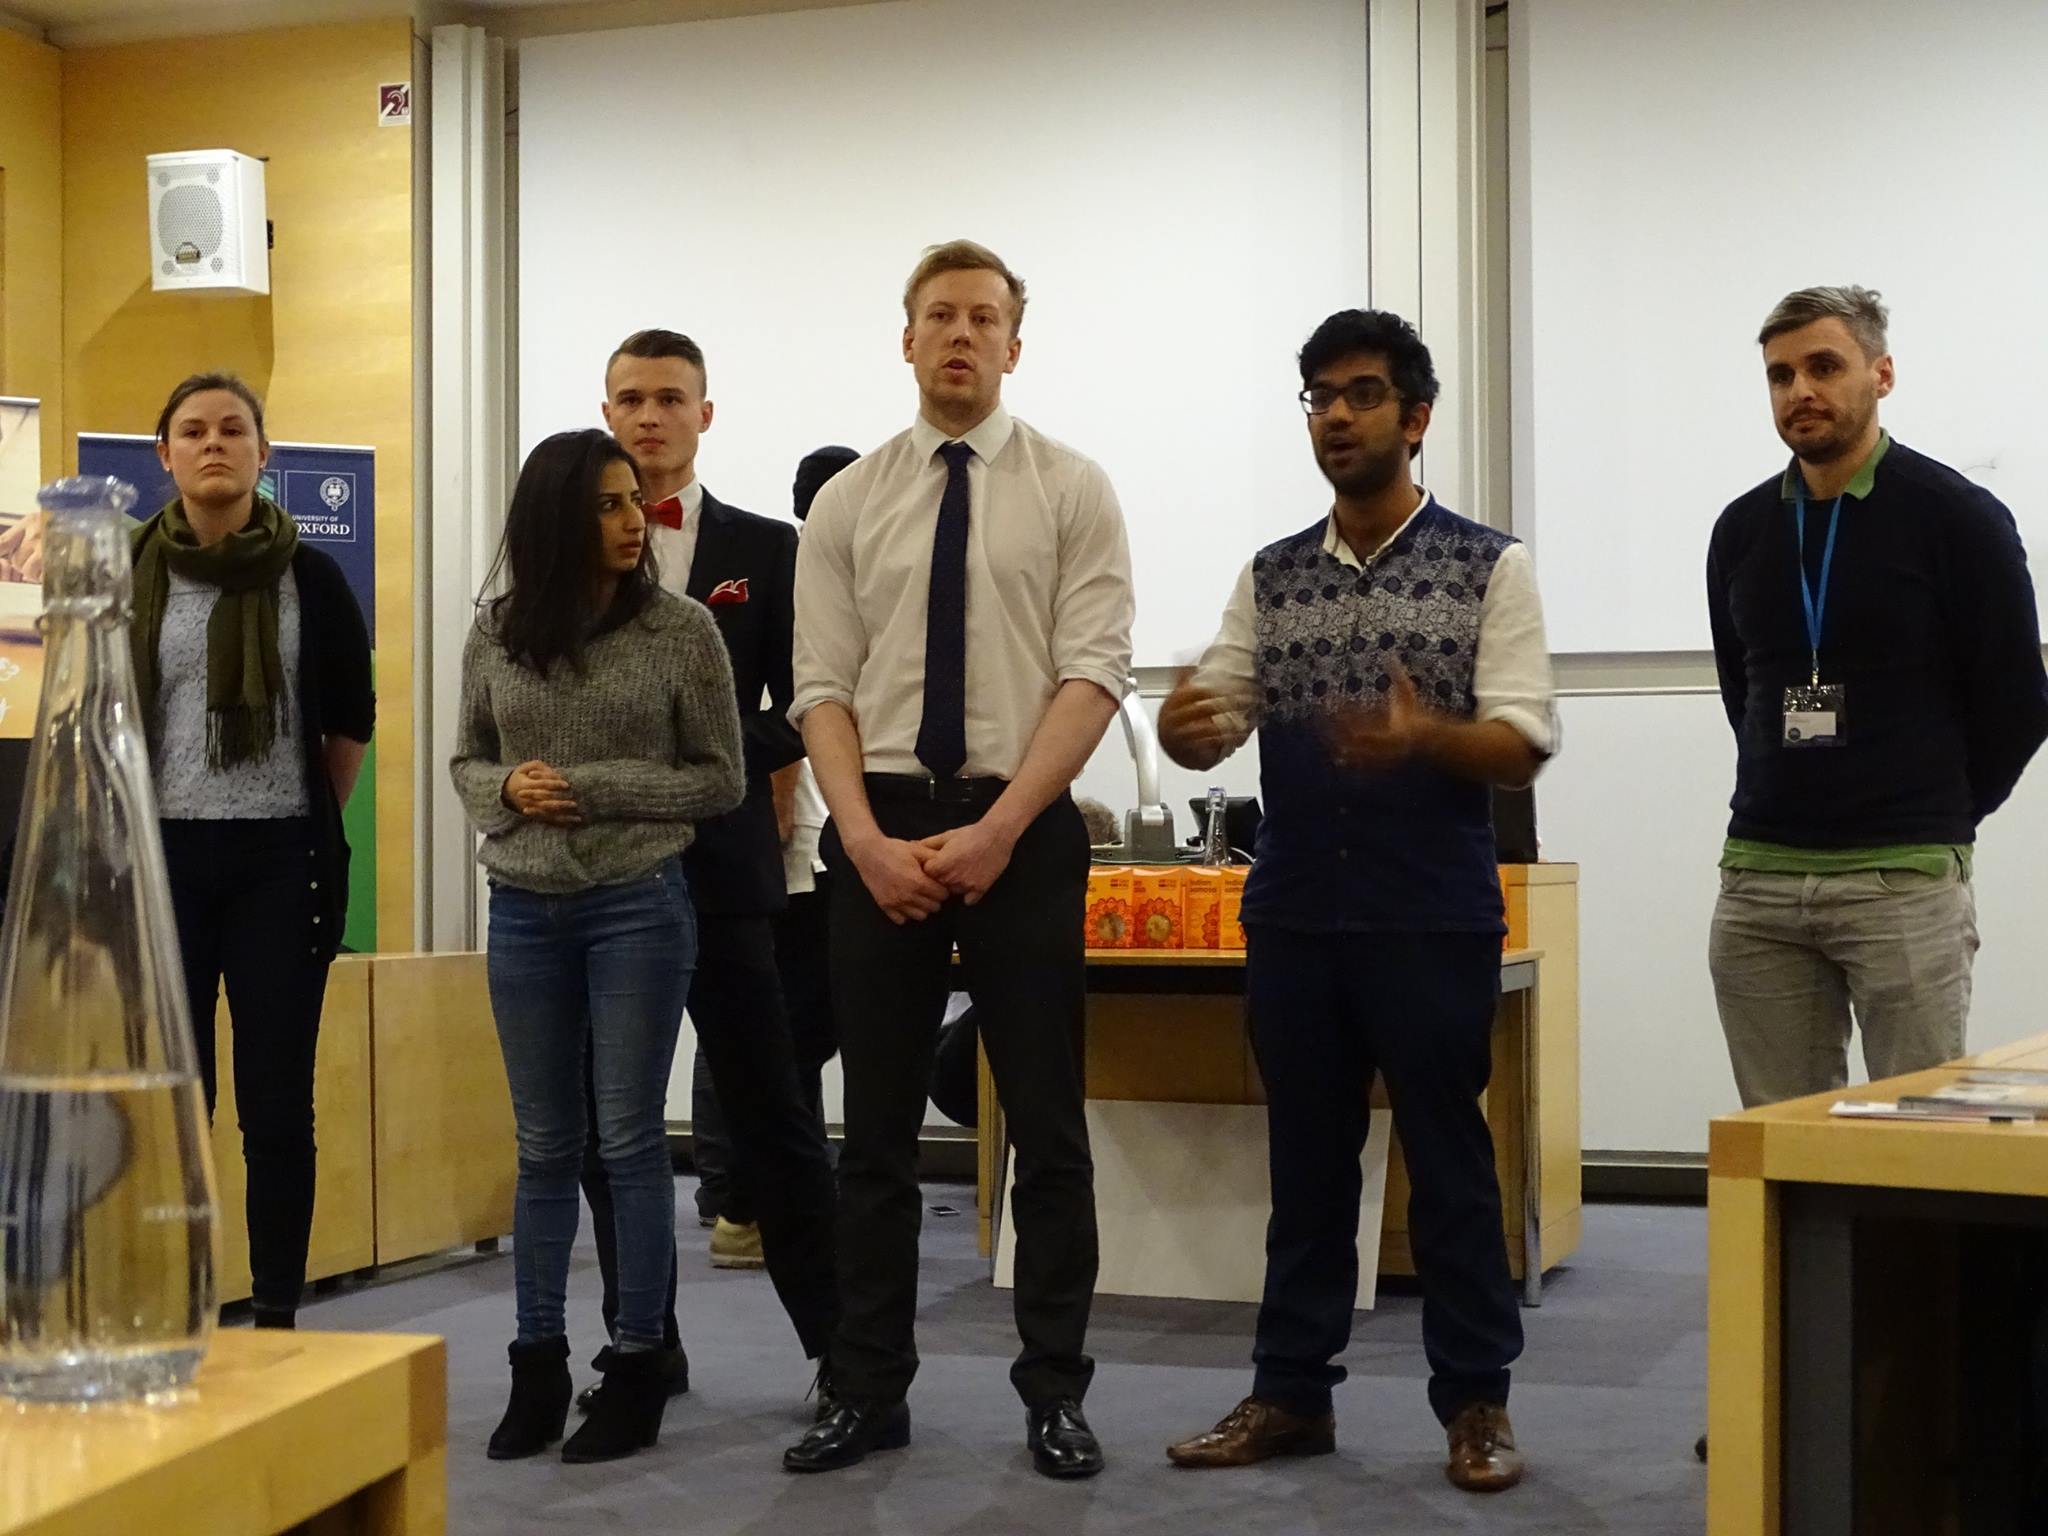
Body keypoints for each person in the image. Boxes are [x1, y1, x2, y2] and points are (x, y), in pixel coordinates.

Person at [1157, 309, 1556, 1494]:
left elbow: (1524, 739)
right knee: (1308, 1171)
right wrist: (1186, 734)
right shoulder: (1269, 577)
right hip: (1292, 918)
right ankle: (1289, 1394)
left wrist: (1429, 735)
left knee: (1449, 1167)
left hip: (1428, 916)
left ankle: (1475, 1403)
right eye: (1320, 397)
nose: (1336, 415)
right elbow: (1209, 716)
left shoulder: (1490, 565)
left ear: (1414, 417)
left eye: (1362, 394)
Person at [783, 239, 1134, 1479]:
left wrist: (998, 830)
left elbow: (1094, 673)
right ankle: (865, 1386)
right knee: (871, 1136)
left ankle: (1054, 1392)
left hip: (1021, 821)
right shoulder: (848, 501)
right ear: (906, 338)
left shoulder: (1070, 487)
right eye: (940, 316)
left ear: (1013, 345)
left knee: (1046, 1127)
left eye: (984, 318)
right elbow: (819, 688)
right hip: (874, 823)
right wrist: (863, 841)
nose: (961, 336)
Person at [451, 428, 742, 1463]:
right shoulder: (495, 632)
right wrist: (504, 790)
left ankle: (634, 1365)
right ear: (558, 519)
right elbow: (468, 760)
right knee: (541, 1149)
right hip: (523, 907)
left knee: (626, 1145)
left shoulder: (682, 630)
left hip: (635, 905)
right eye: (612, 506)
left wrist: (592, 786)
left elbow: (720, 780)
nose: (636, 522)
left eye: (638, 504)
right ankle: (538, 1362)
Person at [1706, 285, 2048, 1109]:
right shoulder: (1743, 529)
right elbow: (1742, 690)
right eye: (1781, 376)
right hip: (1759, 882)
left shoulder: (1957, 518)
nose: (1801, 393)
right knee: (1782, 1146)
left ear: (1881, 374)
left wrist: (1938, 814)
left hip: (1902, 882)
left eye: (1824, 367)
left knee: (1916, 1151)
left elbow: (2019, 699)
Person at [583, 331, 842, 1389]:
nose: (650, 417)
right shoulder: (559, 549)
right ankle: (645, 1343)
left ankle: (840, 1355)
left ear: (705, 414)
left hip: (726, 868)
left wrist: (717, 756)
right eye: (630, 399)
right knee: (614, 1127)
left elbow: (812, 699)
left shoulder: (768, 549)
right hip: (600, 872)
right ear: (607, 414)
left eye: (669, 399)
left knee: (773, 1117)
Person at [134, 372, 373, 1332]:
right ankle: (180, 1299)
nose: (214, 444)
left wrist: (297, 815)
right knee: (174, 1102)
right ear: (167, 455)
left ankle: (274, 1305)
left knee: (277, 1105)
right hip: (159, 866)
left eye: (234, 429)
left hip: (278, 864)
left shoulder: (307, 575)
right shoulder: (126, 571)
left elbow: (347, 723)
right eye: (192, 430)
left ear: (264, 455)